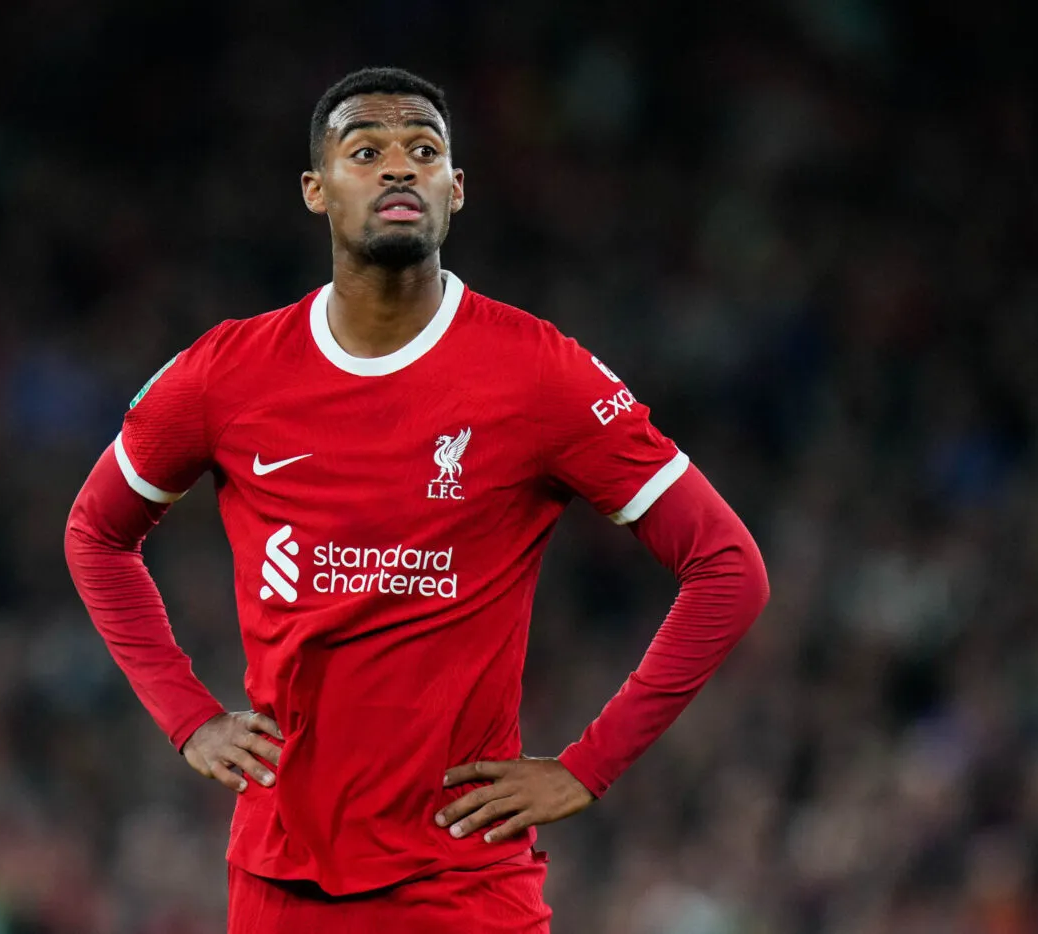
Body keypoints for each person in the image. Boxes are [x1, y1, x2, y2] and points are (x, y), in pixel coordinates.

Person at [65, 66, 770, 934]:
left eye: (424, 151)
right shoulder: (227, 372)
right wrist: (188, 717)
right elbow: (97, 532)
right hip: (280, 882)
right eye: (367, 151)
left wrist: (589, 766)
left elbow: (728, 568)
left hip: (464, 887)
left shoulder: (539, 373)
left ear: (456, 189)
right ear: (316, 190)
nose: (399, 168)